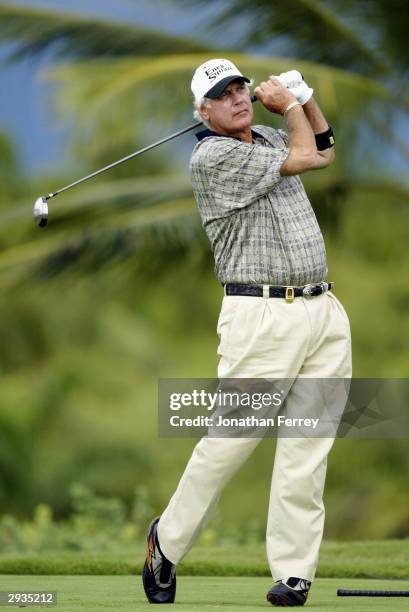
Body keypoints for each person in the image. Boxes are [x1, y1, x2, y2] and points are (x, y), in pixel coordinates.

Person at [142, 58, 352, 607]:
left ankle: (293, 572)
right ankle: (165, 541)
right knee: (231, 441)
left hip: (322, 310)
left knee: (308, 447)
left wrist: (305, 96)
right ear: (203, 111)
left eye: (240, 87)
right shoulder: (213, 156)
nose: (237, 97)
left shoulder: (261, 134)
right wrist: (288, 106)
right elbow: (305, 154)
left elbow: (325, 148)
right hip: (260, 316)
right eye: (223, 93)